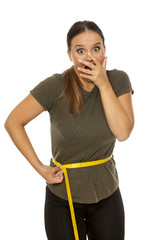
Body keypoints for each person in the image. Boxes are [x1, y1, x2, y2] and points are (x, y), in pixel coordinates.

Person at [5, 20, 134, 240]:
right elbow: (13, 121)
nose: (90, 56)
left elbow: (123, 133)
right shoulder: (55, 86)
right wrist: (40, 168)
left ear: (105, 50)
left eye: (96, 48)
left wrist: (103, 84)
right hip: (63, 198)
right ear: (69, 55)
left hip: (107, 194)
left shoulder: (118, 80)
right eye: (80, 50)